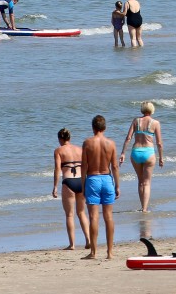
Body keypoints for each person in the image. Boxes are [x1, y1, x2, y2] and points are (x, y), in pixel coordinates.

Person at [81, 115, 118, 260]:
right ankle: (110, 252)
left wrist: (83, 184)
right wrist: (118, 185)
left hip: (93, 179)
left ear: (93, 127)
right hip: (107, 179)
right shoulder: (111, 143)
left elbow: (84, 166)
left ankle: (93, 252)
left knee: (93, 217)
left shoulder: (87, 143)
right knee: (108, 217)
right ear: (105, 128)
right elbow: (114, 166)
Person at [119, 102, 164, 212]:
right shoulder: (155, 123)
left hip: (136, 152)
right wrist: (161, 158)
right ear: (152, 110)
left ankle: (141, 206)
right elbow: (159, 143)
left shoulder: (136, 121)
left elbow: (128, 138)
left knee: (140, 181)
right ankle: (144, 208)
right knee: (147, 182)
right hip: (148, 152)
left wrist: (123, 153)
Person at [52, 128, 90, 250]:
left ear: (60, 139)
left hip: (68, 182)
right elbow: (86, 166)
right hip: (82, 181)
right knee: (82, 212)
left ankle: (72, 244)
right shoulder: (80, 149)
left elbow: (58, 169)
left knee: (69, 215)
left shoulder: (58, 150)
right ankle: (88, 240)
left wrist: (55, 187)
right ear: (70, 138)